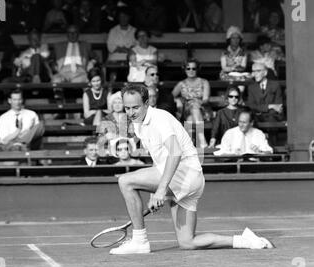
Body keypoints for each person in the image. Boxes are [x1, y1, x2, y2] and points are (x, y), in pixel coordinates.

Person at [109, 84, 274, 255]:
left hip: (184, 174)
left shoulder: (159, 119)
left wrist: (161, 189)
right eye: (127, 108)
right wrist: (155, 191)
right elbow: (159, 157)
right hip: (191, 179)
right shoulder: (139, 123)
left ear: (146, 103)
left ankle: (139, 241)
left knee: (125, 181)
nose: (131, 112)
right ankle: (247, 241)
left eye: (135, 107)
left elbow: (175, 152)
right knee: (188, 242)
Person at [172, 59, 210, 147]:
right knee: (191, 112)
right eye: (188, 68)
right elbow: (171, 97)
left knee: (191, 118)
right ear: (185, 70)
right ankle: (202, 142)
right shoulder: (181, 84)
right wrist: (178, 101)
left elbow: (206, 99)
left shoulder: (204, 82)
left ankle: (193, 144)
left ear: (197, 69)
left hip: (203, 110)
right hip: (186, 110)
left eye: (194, 68)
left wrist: (197, 102)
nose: (191, 71)